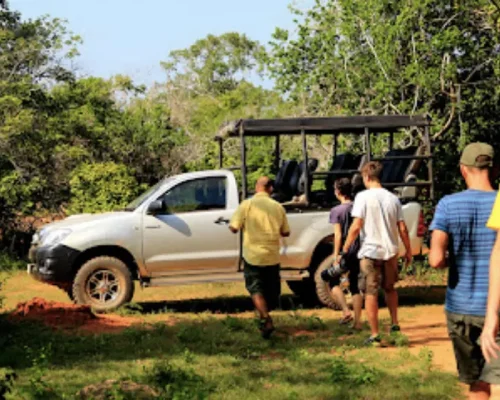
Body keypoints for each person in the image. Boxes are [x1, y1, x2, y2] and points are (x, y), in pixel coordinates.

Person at [429, 143, 498, 400]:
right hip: (497, 306)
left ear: (463, 170)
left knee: (477, 382)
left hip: (461, 306)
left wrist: (452, 259)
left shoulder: (448, 205)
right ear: (494, 169)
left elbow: (435, 259)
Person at [341, 161, 413, 346]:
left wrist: (345, 247)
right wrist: (408, 250)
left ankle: (375, 334)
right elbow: (402, 228)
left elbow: (356, 226)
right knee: (390, 288)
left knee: (371, 292)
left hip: (370, 252)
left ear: (366, 177)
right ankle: (395, 324)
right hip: (390, 251)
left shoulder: (362, 197)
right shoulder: (393, 198)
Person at [229, 176, 290, 339]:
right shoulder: (278, 207)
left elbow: (234, 227)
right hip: (272, 256)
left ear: (257, 187)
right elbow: (286, 232)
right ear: (271, 189)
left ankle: (265, 318)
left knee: (255, 288)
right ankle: (264, 315)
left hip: (253, 256)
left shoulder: (247, 205)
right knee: (271, 291)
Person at [321, 178, 363, 330]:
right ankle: (358, 322)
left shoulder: (337, 211)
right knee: (355, 286)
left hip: (346, 251)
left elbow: (338, 235)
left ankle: (345, 311)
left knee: (329, 279)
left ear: (338, 192)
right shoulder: (358, 207)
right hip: (359, 249)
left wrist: (336, 255)